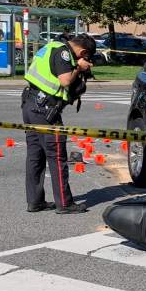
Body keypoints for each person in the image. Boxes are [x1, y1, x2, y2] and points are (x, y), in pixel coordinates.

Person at [22, 33, 97, 214]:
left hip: (30, 104)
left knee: (35, 156)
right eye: (86, 57)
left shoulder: (52, 46)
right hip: (45, 111)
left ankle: (35, 201)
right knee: (56, 156)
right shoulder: (63, 53)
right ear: (83, 52)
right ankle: (64, 204)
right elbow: (65, 81)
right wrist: (78, 68)